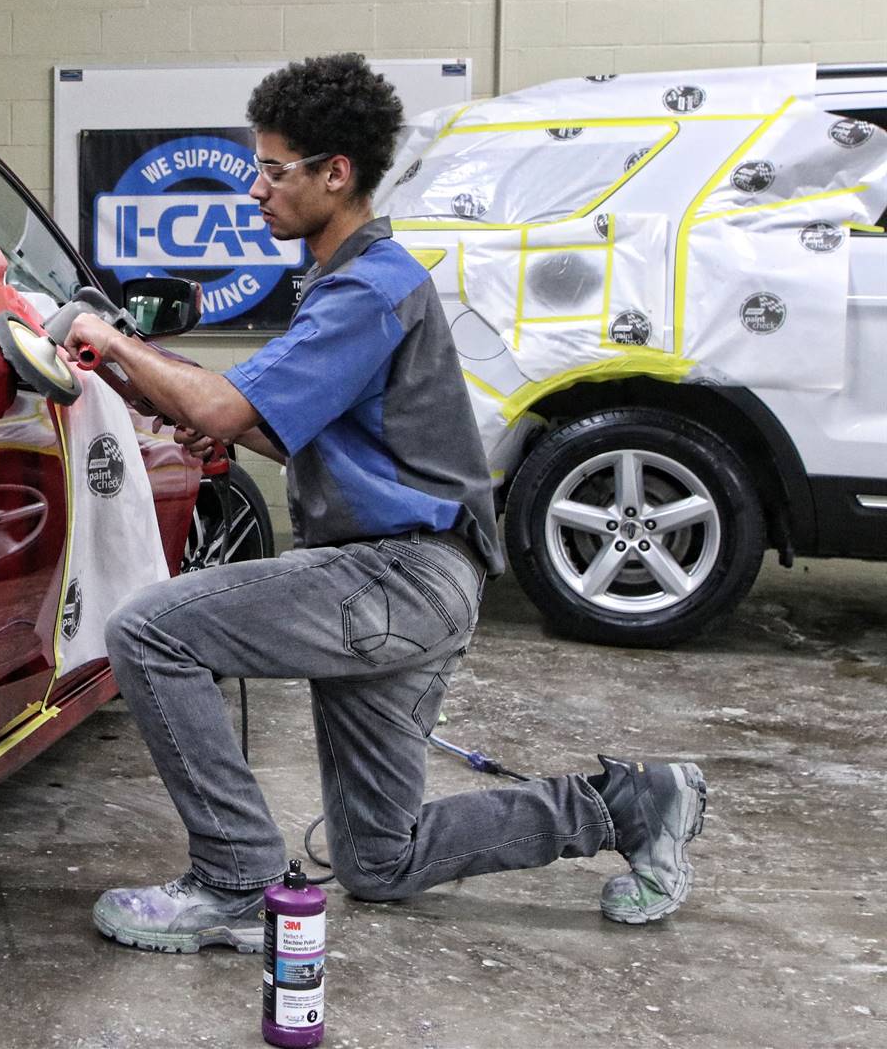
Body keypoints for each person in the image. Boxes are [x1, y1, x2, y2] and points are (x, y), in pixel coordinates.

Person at [62, 53, 707, 954]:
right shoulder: (359, 281)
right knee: (380, 856)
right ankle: (628, 803)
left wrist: (105, 338)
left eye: (275, 170)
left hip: (394, 574)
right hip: (419, 587)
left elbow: (219, 404)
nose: (256, 190)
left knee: (149, 631)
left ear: (337, 173)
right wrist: (229, 422)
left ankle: (235, 877)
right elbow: (275, 423)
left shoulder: (366, 288)